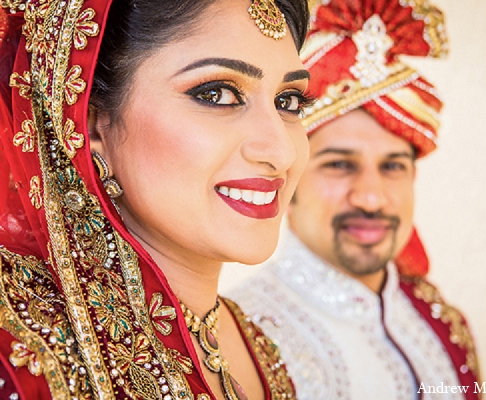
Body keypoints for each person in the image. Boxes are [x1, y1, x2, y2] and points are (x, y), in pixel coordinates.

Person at [0, 0, 312, 399]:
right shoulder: (17, 345)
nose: (280, 152)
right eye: (216, 94)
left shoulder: (257, 348)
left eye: (288, 102)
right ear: (91, 124)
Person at [227, 1, 481, 399]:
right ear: (289, 178)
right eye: (340, 165)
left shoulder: (440, 320)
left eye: (393, 166)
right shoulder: (239, 343)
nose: (371, 197)